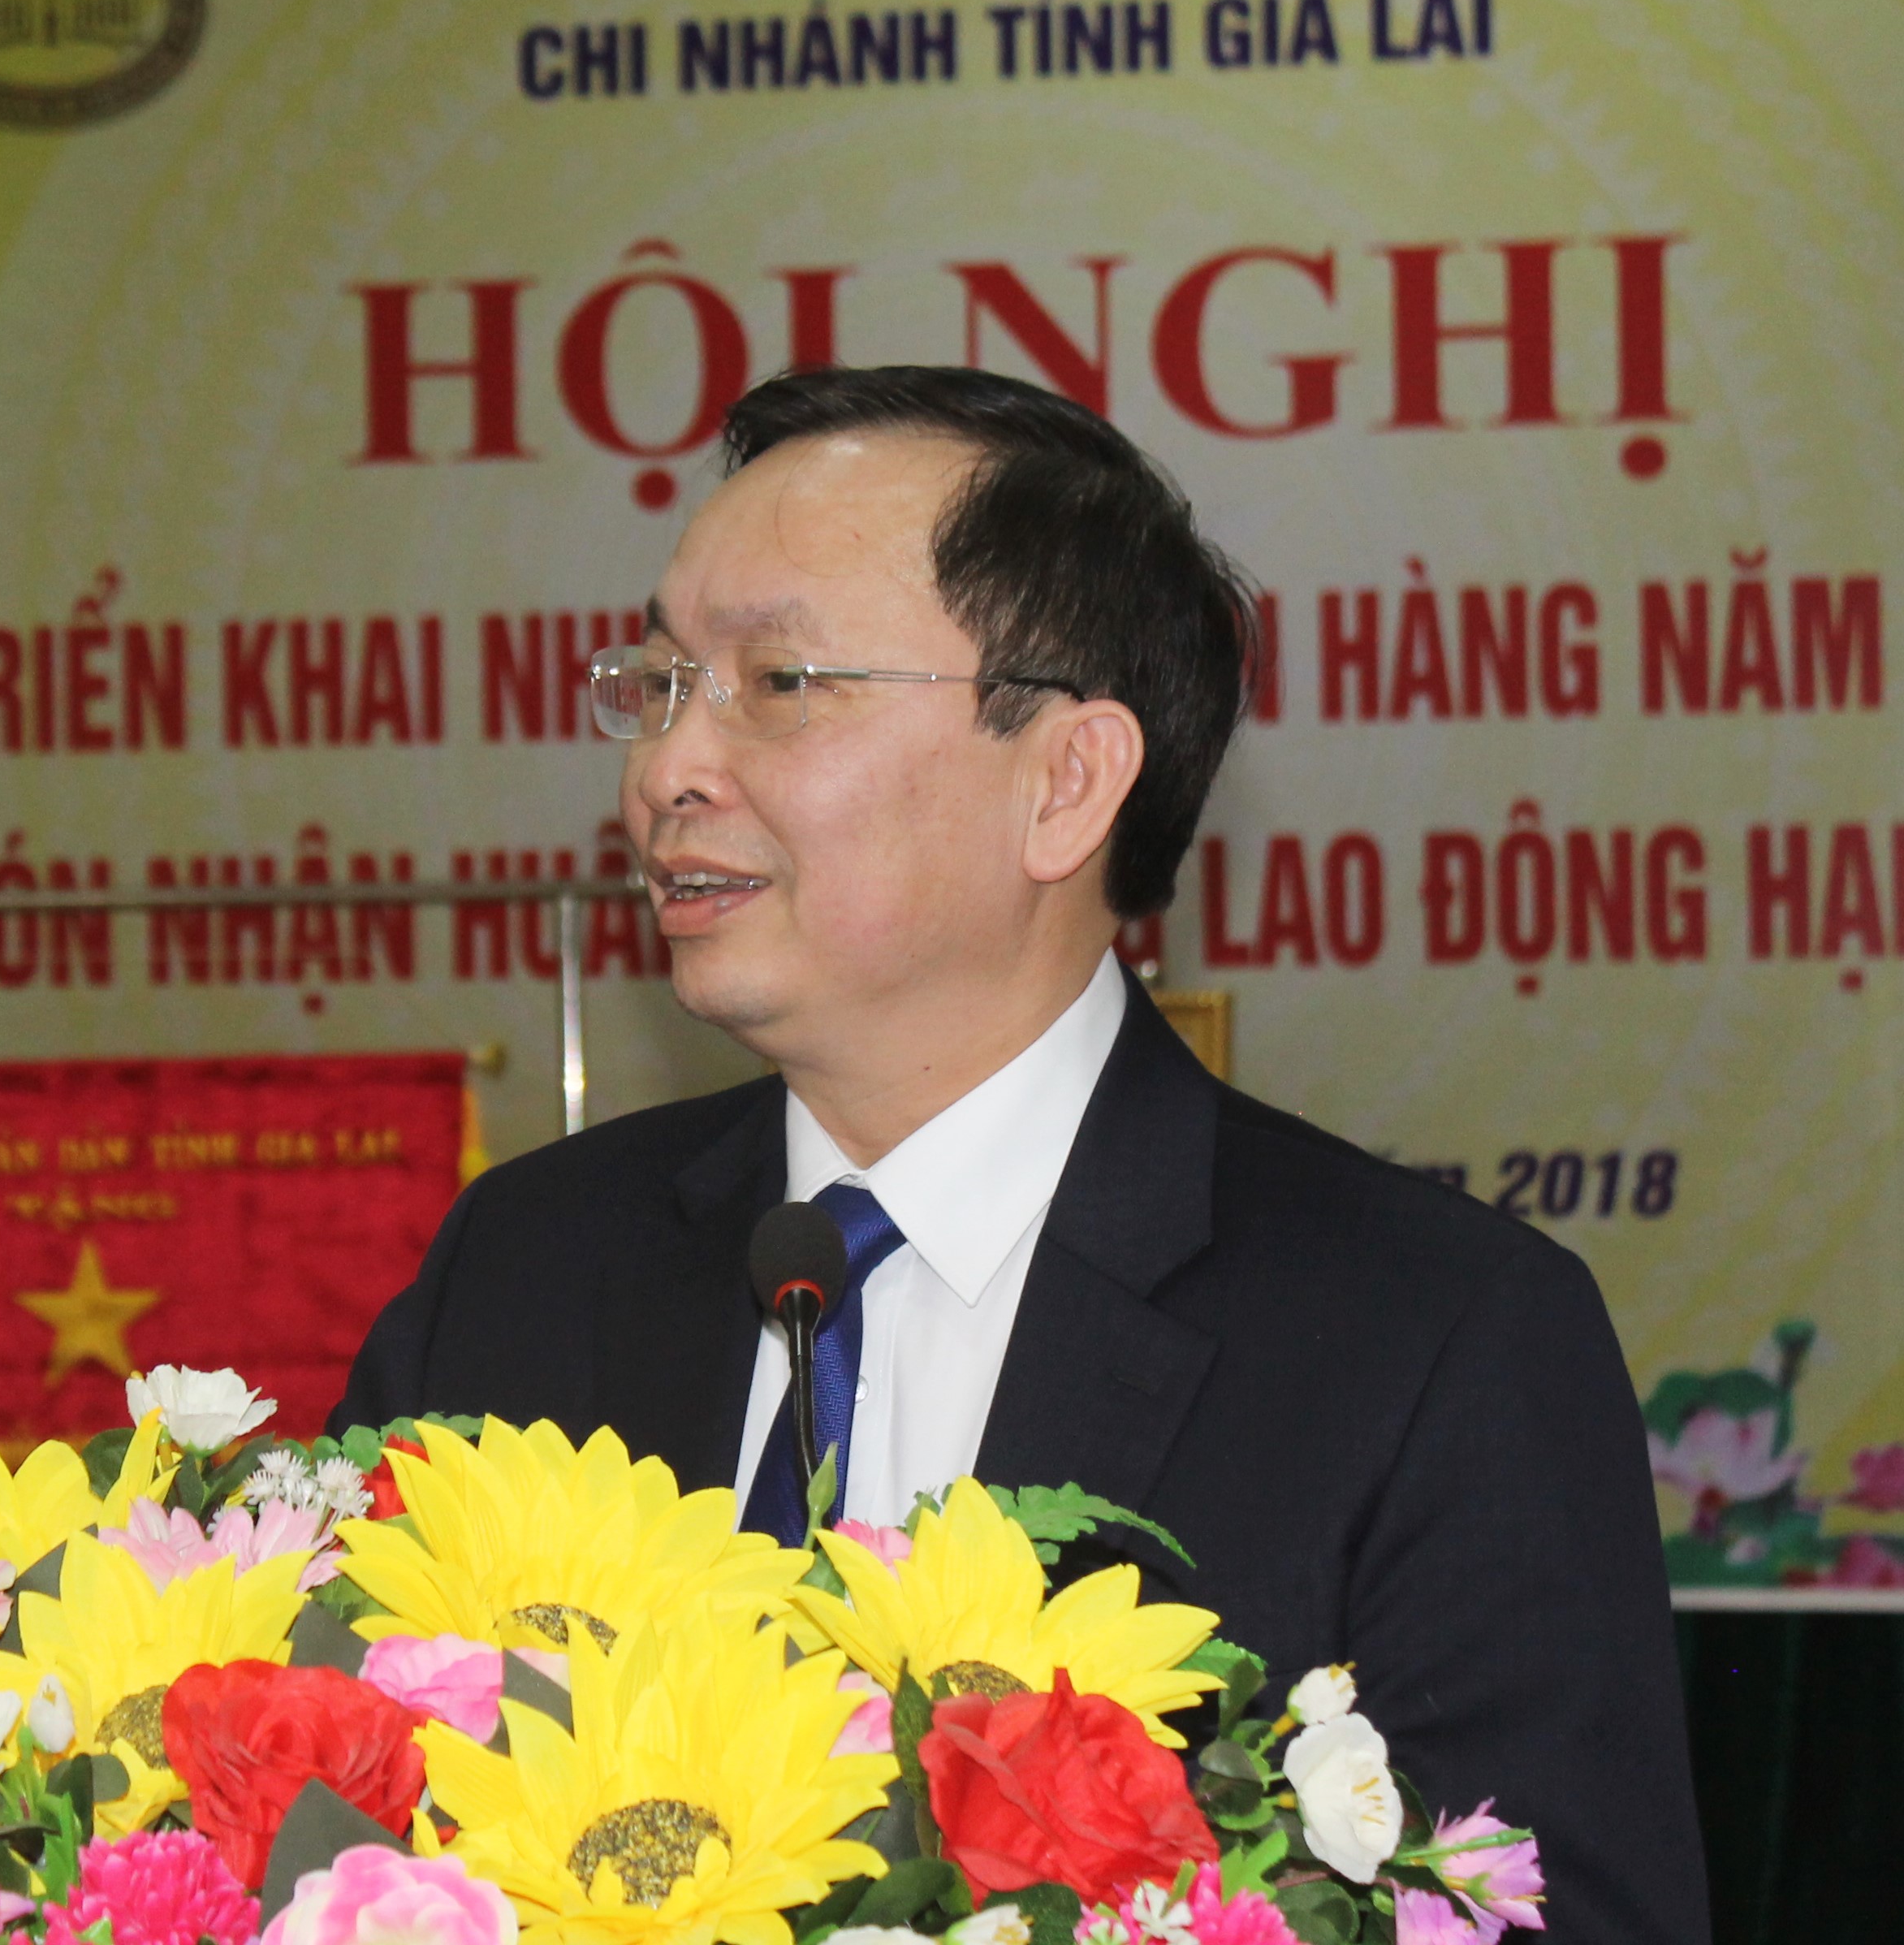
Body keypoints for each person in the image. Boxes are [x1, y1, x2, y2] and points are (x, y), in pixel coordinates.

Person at [338, 364, 1709, 1941]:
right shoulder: (525, 1263)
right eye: (658, 682)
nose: (665, 770)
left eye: (778, 681)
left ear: (1065, 781)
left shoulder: (1434, 1342)